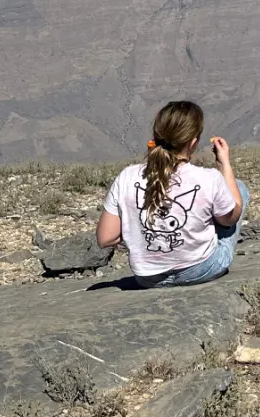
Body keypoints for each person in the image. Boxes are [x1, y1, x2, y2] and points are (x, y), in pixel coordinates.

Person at [96, 100, 248, 287]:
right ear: (193, 142)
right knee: (237, 187)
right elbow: (230, 219)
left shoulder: (127, 176)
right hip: (201, 269)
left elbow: (105, 238)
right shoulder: (209, 177)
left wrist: (137, 229)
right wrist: (224, 163)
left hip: (147, 278)